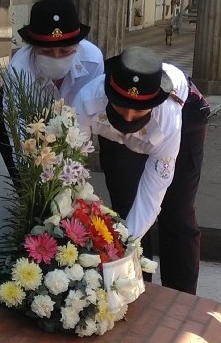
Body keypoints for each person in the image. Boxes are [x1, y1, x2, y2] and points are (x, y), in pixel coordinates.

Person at [72, 46, 209, 295]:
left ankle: (180, 298)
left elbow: (152, 193)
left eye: (139, 110)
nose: (129, 117)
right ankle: (133, 289)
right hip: (114, 140)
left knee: (176, 211)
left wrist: (121, 245)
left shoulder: (168, 117)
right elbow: (69, 166)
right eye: (122, 105)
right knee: (125, 209)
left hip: (186, 120)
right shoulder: (86, 100)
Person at [0, 0, 103, 176]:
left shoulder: (92, 61)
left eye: (65, 51)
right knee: (17, 180)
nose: (57, 57)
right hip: (24, 125)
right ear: (33, 48)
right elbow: (20, 136)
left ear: (77, 45)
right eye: (47, 52)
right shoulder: (20, 68)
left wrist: (72, 174)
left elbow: (86, 121)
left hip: (67, 130)